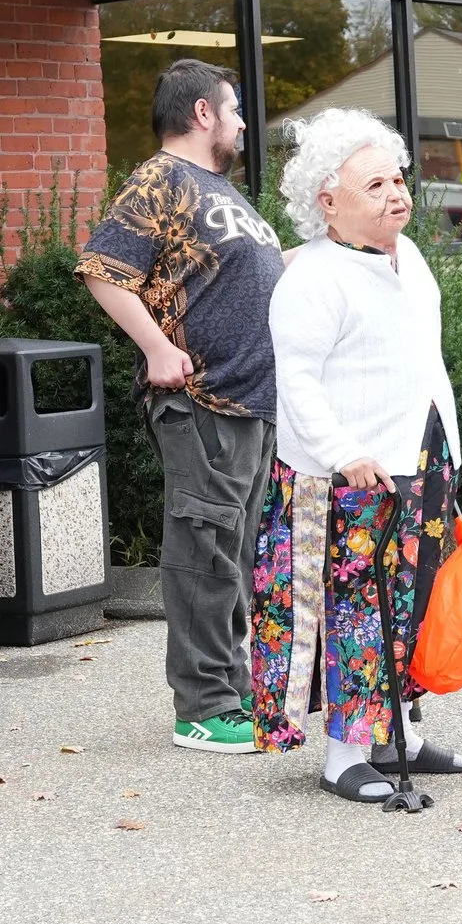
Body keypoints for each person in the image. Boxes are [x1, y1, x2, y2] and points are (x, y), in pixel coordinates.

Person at [253, 109, 462, 802]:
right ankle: (345, 755)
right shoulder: (312, 278)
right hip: (348, 476)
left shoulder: (409, 258)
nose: (397, 193)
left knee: (413, 602)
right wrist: (344, 450)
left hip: (419, 457)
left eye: (399, 177)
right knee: (356, 614)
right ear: (328, 200)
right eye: (375, 183)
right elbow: (298, 383)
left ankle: (398, 733)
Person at [77, 59, 286, 754]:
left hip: (249, 403)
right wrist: (158, 350)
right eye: (234, 108)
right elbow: (103, 269)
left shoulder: (218, 188)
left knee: (230, 551)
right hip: (201, 400)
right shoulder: (161, 178)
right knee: (202, 549)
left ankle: (232, 689)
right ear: (202, 113)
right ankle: (203, 705)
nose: (242, 122)